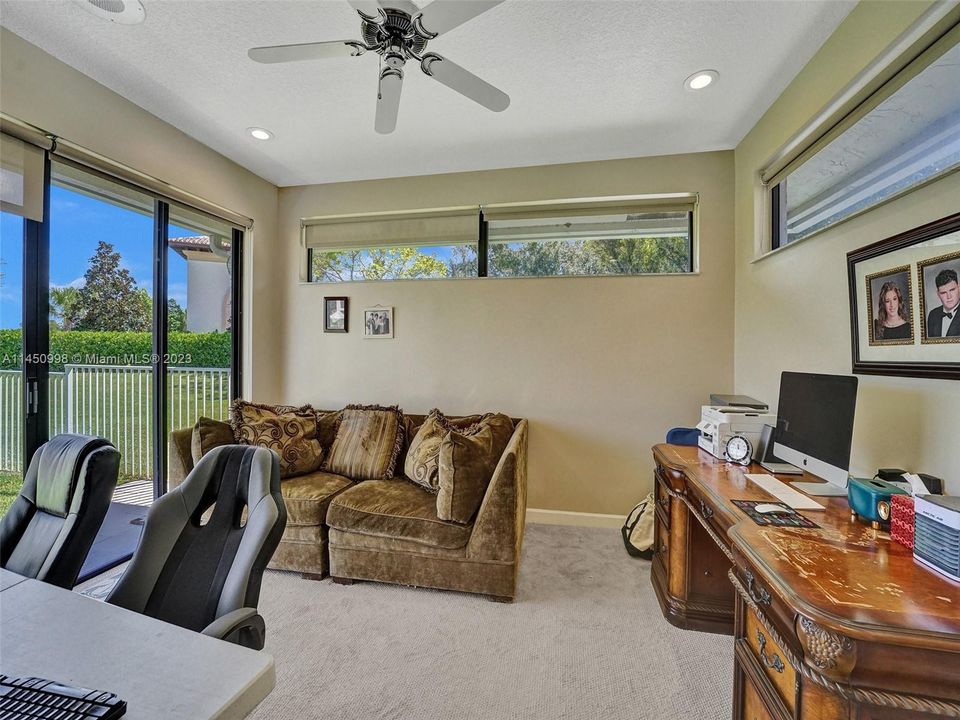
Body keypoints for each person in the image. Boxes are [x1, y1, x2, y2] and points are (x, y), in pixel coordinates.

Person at [926, 268, 960, 338]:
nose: (949, 296)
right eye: (943, 293)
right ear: (938, 294)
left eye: (952, 290)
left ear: (959, 288)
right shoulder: (933, 315)